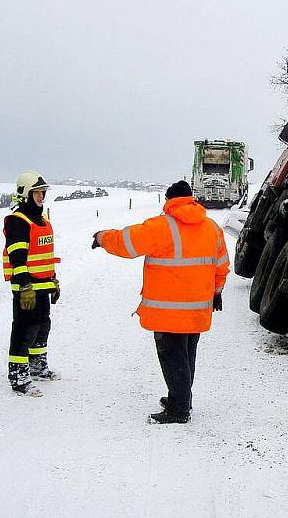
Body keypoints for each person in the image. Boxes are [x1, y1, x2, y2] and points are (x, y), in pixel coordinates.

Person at [93, 180, 230, 424]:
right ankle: (181, 398)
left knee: (171, 355)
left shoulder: (161, 226)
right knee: (187, 353)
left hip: (168, 309)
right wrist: (217, 292)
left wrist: (102, 237)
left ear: (168, 201)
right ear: (191, 199)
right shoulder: (211, 227)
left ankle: (178, 409)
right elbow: (221, 264)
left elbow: (126, 243)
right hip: (198, 307)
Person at [2, 171, 61, 397]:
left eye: (43, 193)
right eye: (37, 192)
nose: (42, 197)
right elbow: (17, 256)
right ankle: (18, 376)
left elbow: (45, 254)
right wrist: (24, 285)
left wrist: (54, 280)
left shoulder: (43, 221)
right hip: (26, 287)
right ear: (25, 194)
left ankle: (38, 366)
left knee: (42, 326)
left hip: (43, 285)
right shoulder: (18, 221)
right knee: (24, 330)